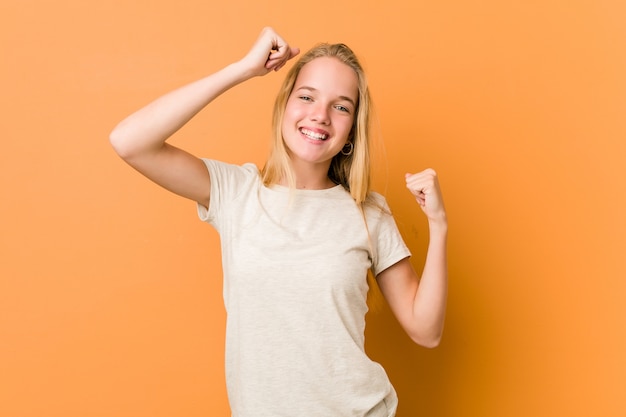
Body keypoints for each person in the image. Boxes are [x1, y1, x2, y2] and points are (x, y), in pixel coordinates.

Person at [110, 26, 447, 417]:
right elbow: (129, 142)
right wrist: (240, 70)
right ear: (284, 106)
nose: (320, 116)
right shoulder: (236, 192)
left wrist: (438, 225)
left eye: (341, 106)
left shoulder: (367, 212)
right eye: (307, 97)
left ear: (352, 128)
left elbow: (426, 331)